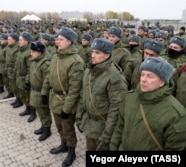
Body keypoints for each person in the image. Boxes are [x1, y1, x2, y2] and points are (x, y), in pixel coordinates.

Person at [110, 57, 186, 150]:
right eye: (142, 75)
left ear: (162, 81)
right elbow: (120, 128)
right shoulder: (130, 98)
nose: (143, 79)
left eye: (150, 76)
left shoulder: (176, 114)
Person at [41, 27, 85, 167]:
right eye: (57, 39)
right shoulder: (56, 55)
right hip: (55, 99)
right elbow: (49, 75)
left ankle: (71, 150)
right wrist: (44, 92)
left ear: (70, 42)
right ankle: (63, 144)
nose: (57, 41)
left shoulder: (76, 61)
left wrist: (67, 109)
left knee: (68, 128)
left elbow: (75, 89)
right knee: (59, 126)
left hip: (67, 101)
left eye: (60, 39)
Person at [76, 38, 127, 151]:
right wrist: (79, 118)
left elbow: (116, 110)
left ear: (107, 55)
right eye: (92, 52)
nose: (93, 55)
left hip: (103, 129)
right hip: (89, 125)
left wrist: (107, 136)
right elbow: (82, 95)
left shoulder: (114, 77)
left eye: (97, 53)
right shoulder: (89, 70)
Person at [29, 41, 52, 141]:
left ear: (39, 52)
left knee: (44, 112)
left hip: (41, 92)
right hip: (35, 92)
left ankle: (47, 130)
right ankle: (43, 126)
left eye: (33, 51)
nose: (31, 53)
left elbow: (47, 81)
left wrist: (44, 94)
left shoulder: (45, 64)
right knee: (40, 111)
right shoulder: (35, 62)